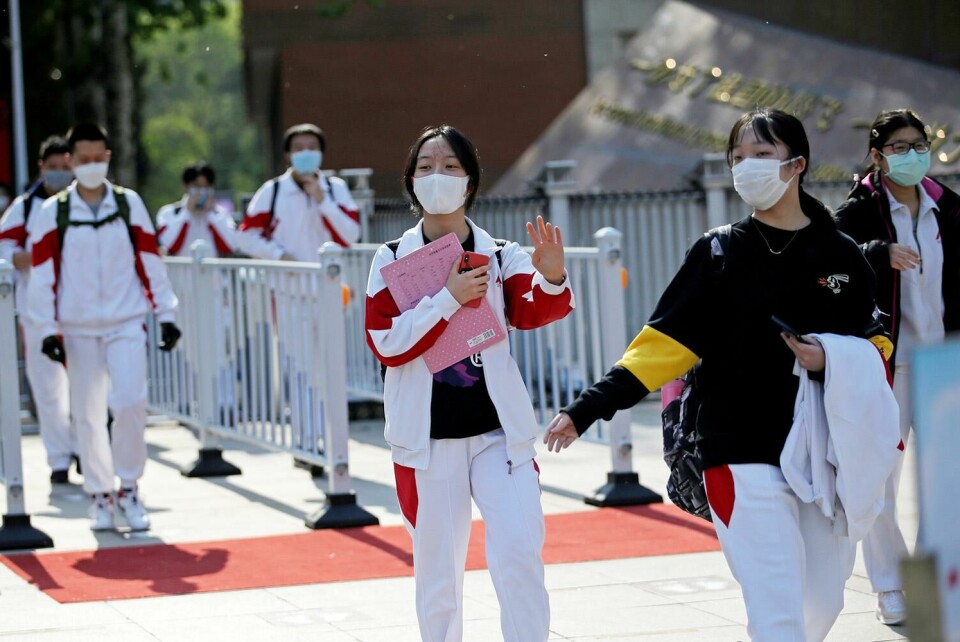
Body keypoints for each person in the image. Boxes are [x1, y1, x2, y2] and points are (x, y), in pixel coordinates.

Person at [544, 109, 894, 642]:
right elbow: (660, 348)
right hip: (735, 453)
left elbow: (878, 343)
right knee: (777, 613)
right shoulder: (718, 252)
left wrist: (830, 358)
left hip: (825, 454)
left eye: (760, 155)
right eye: (737, 158)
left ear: (796, 164)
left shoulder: (840, 254)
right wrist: (587, 407)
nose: (745, 168)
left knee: (822, 603)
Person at [365, 125, 574, 642]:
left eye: (452, 166)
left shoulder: (501, 254)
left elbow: (537, 308)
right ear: (411, 181)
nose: (439, 176)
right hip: (426, 444)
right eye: (427, 166)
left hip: (499, 439)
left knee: (519, 554)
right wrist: (448, 299)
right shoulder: (391, 258)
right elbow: (385, 343)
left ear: (471, 181)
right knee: (438, 578)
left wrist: (551, 276)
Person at [835, 108, 960, 626]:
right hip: (888, 370)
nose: (911, 154)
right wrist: (876, 252)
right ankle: (890, 587)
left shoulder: (947, 207)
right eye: (899, 146)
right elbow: (828, 266)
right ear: (878, 155)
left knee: (945, 487)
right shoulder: (858, 211)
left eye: (918, 144)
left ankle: (941, 585)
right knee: (881, 485)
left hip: (943, 368)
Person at [27, 123, 181, 531]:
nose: (91, 166)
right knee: (88, 415)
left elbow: (151, 262)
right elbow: (42, 276)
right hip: (76, 327)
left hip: (127, 320)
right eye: (83, 160)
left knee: (130, 402)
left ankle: (129, 488)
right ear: (70, 161)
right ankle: (99, 495)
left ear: (108, 158)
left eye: (98, 159)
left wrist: (166, 314)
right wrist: (45, 329)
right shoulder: (51, 212)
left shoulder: (129, 205)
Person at [0, 135, 78, 483]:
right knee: (48, 389)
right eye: (53, 168)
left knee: (87, 385)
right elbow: (3, 250)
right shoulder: (24, 207)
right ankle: (59, 460)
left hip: (82, 310)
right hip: (37, 313)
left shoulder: (89, 204)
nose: (60, 174)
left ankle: (85, 450)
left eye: (66, 168)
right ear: (41, 168)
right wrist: (32, 257)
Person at [236, 123, 360, 260]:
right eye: (299, 148)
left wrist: (323, 201)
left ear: (321, 153)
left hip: (327, 278)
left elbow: (351, 236)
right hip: (284, 279)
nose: (306, 152)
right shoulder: (272, 191)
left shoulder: (336, 188)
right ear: (288, 155)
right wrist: (279, 255)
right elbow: (245, 237)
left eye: (312, 148)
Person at [156, 161, 236, 257]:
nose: (201, 191)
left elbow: (229, 246)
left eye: (206, 186)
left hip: (211, 272)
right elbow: (171, 246)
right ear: (185, 186)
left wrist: (210, 215)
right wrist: (187, 213)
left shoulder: (221, 214)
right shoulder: (169, 213)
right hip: (181, 271)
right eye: (197, 186)